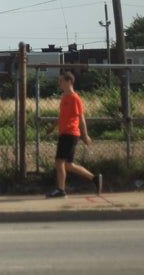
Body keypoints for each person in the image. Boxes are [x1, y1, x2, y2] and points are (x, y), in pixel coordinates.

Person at [46, 70, 101, 198]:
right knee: (68, 165)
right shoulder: (64, 97)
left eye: (61, 81)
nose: (59, 83)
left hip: (70, 134)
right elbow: (62, 116)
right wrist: (53, 127)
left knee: (59, 161)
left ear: (69, 81)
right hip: (64, 133)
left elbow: (81, 118)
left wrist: (85, 135)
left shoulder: (75, 98)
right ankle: (94, 178)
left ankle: (61, 190)